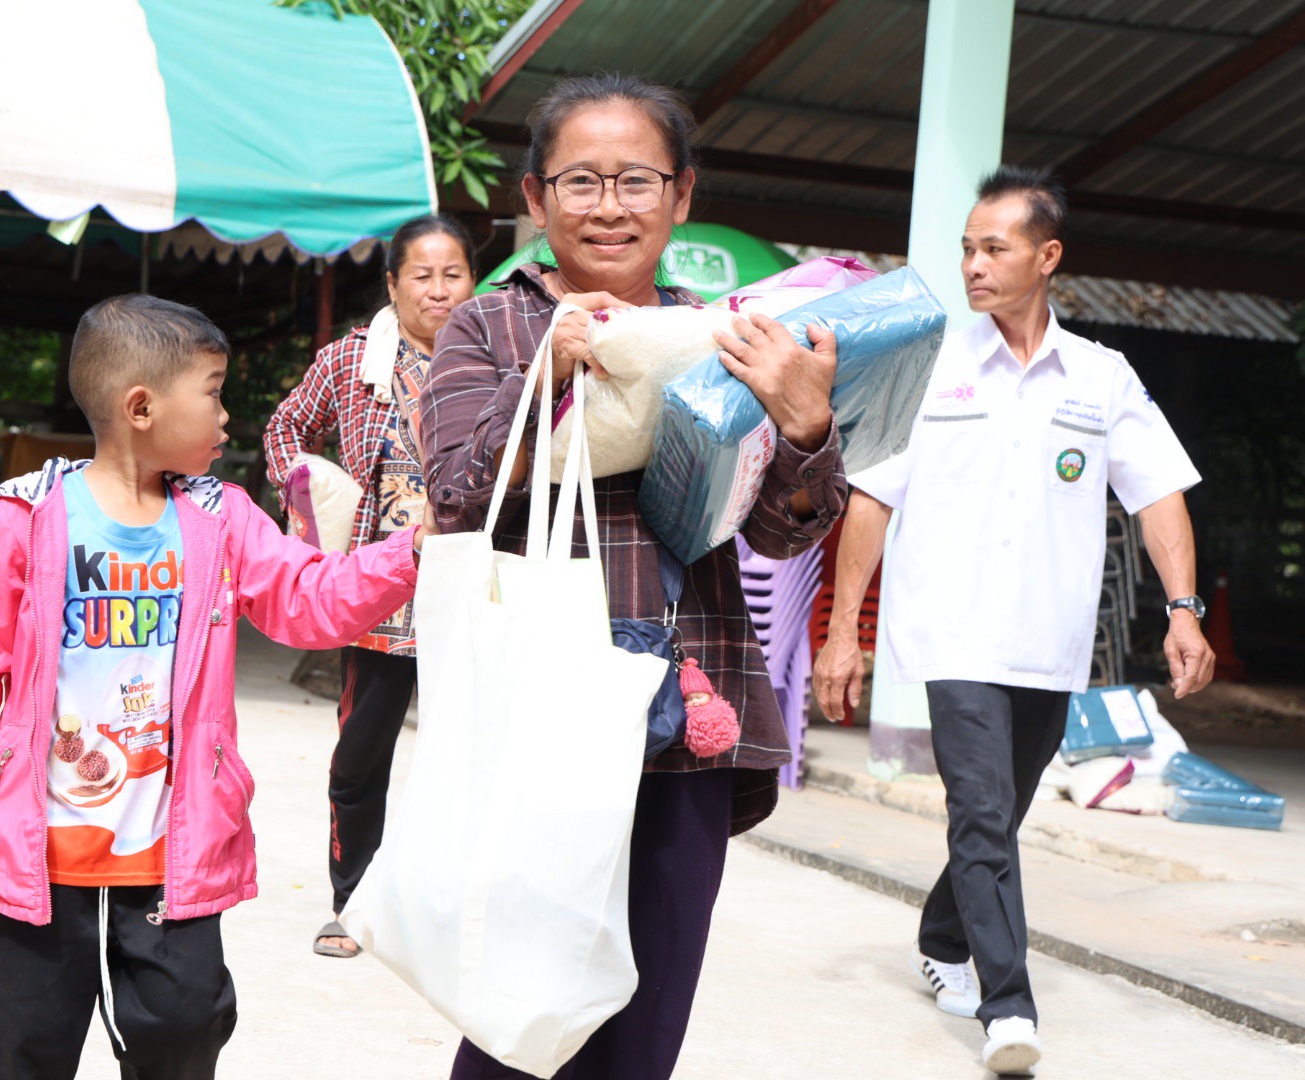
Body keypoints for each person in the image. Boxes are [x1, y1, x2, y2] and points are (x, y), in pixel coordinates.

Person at [422, 73, 847, 1079]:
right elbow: (454, 492)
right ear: (535, 198)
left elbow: (782, 534)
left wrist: (806, 425)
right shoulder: (490, 328)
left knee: (645, 1030)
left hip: (688, 715)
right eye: (580, 180)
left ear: (681, 194)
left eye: (637, 180)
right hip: (541, 713)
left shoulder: (733, 338)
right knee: (519, 1019)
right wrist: (550, 375)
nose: (608, 206)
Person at [0, 295, 425, 1080]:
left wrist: (412, 551)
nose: (226, 416)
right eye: (212, 392)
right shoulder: (26, 516)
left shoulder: (221, 518)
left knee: (185, 1027)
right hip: (33, 855)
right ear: (141, 408)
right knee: (15, 1048)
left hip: (169, 855)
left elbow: (312, 599)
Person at [812, 166, 1214, 1076]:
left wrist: (1183, 612)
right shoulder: (930, 367)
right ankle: (1008, 1007)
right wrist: (843, 633)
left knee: (998, 817)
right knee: (984, 812)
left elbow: (1158, 495)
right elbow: (871, 501)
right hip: (951, 631)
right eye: (967, 248)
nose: (973, 265)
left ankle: (941, 936)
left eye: (994, 248)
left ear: (1048, 255)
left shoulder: (1102, 377)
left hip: (1049, 641)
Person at [262, 213, 477, 958]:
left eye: (453, 275)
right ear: (393, 284)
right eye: (422, 275)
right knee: (361, 756)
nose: (439, 290)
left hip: (471, 587)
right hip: (380, 593)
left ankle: (448, 912)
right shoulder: (351, 360)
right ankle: (353, 903)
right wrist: (314, 497)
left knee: (467, 755)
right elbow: (285, 431)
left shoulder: (499, 356)